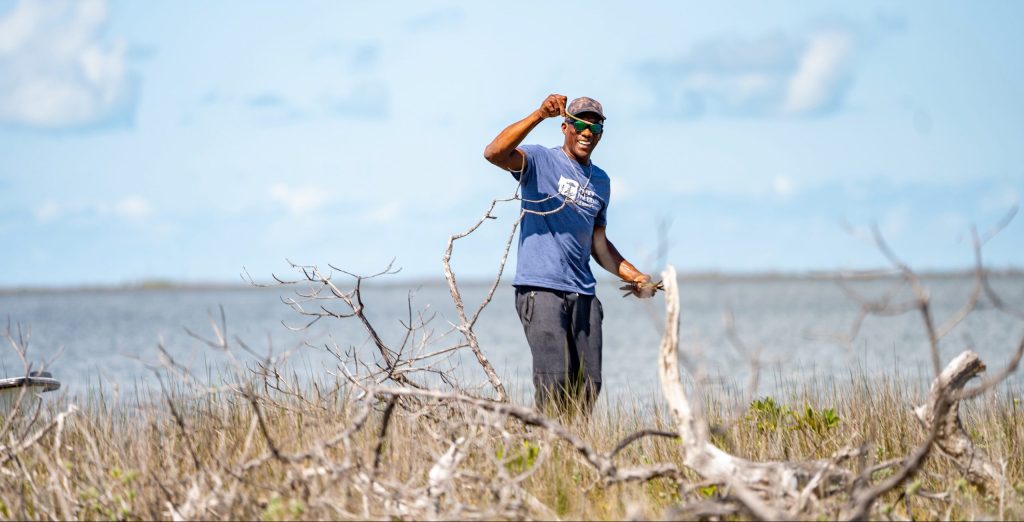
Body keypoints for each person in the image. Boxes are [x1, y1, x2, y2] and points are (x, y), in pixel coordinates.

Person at [483, 94, 659, 415]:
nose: (586, 133)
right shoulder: (540, 161)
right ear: (565, 126)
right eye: (579, 124)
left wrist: (637, 277)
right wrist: (538, 114)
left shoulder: (601, 182)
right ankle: (547, 454)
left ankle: (577, 456)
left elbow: (599, 244)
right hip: (541, 289)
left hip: (584, 294)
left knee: (589, 385)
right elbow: (494, 153)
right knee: (555, 384)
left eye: (595, 128)